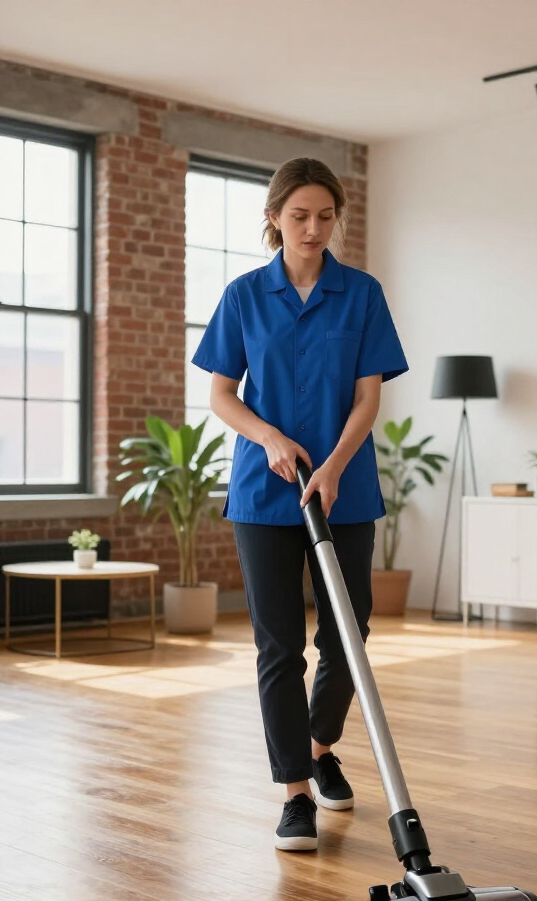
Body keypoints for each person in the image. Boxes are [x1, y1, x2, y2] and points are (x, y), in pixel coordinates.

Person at [192, 157, 408, 851]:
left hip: (345, 492)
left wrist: (337, 464)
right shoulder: (246, 295)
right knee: (278, 645)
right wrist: (271, 439)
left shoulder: (362, 294)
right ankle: (293, 793)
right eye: (299, 216)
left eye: (324, 216)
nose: (313, 229)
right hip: (266, 492)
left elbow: (368, 397)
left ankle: (319, 746)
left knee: (349, 635)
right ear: (274, 219)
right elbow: (222, 392)